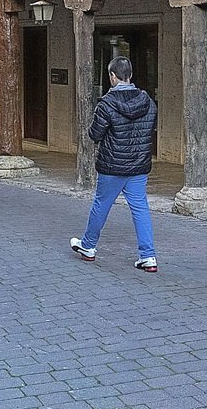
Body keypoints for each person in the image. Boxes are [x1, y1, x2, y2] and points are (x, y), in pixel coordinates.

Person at [71, 56, 160, 272]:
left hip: (112, 165)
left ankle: (89, 246)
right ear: (130, 75)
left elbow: (95, 134)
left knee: (101, 205)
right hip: (138, 165)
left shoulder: (106, 104)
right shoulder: (148, 102)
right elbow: (149, 130)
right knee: (140, 208)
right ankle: (148, 256)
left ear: (112, 76)